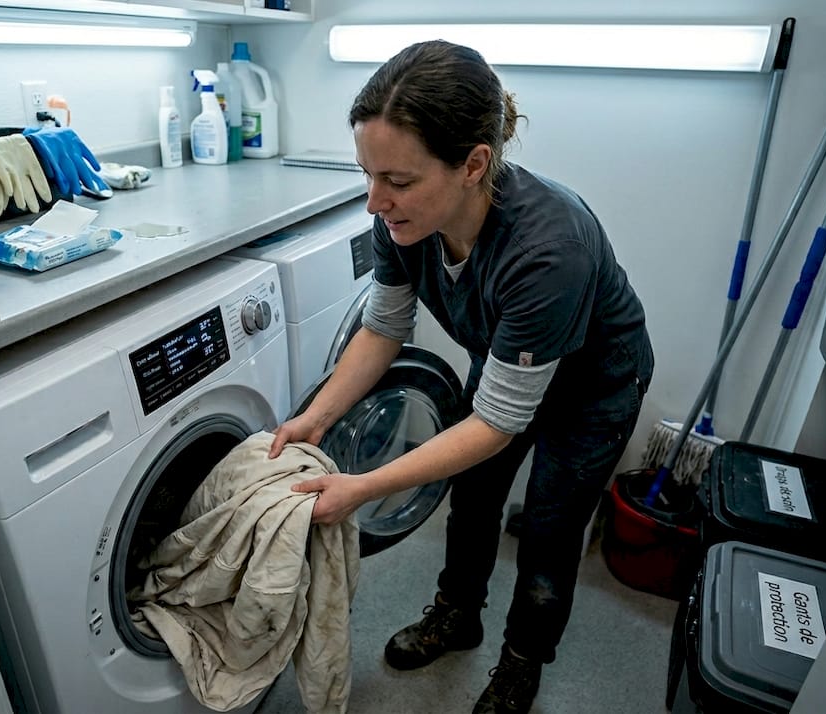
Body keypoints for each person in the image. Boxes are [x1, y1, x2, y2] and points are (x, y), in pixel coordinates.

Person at [267, 40, 653, 713]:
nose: (374, 201)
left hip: (594, 386)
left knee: (548, 530)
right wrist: (316, 417)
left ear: (474, 164)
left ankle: (522, 661)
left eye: (399, 180)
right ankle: (457, 615)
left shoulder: (545, 250)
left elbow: (500, 422)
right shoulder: (401, 222)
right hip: (507, 363)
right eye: (369, 175)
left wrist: (362, 487)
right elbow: (384, 328)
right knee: (472, 500)